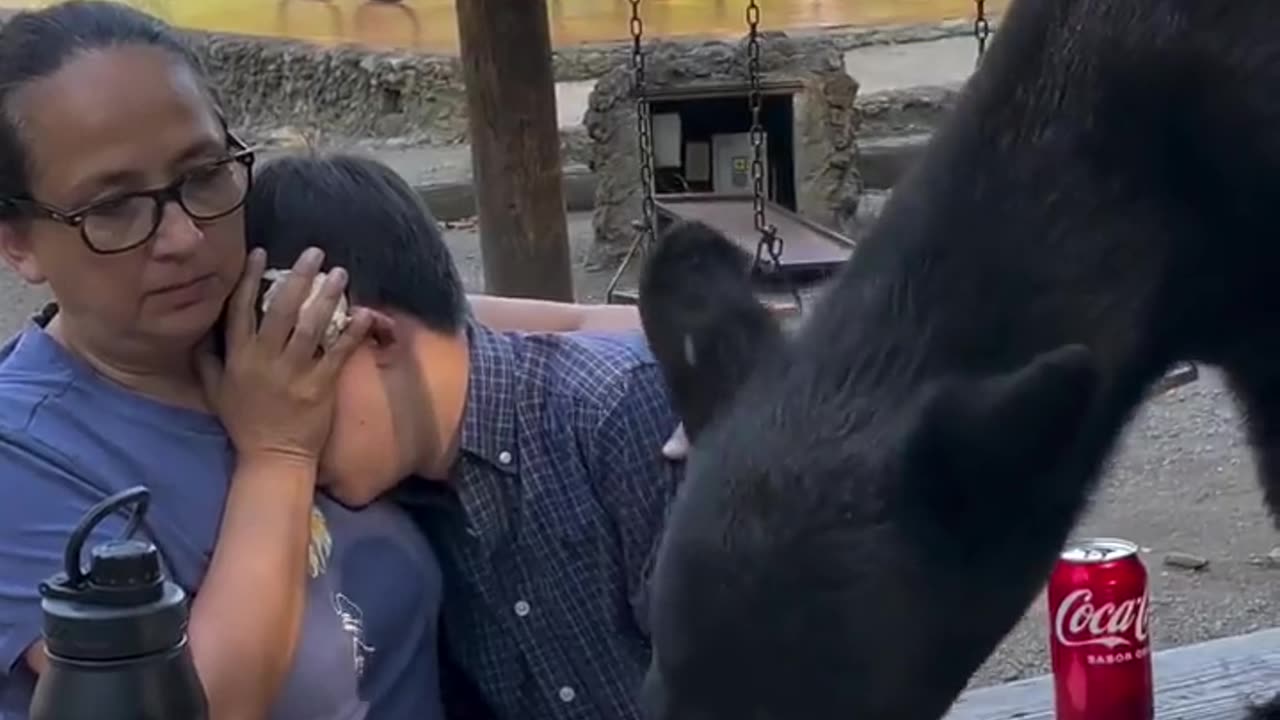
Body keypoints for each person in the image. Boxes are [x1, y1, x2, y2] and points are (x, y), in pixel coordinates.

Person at [0, 2, 670, 718]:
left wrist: (739, 350)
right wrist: (279, 456)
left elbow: (463, 325)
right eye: (114, 207)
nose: (186, 237)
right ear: (18, 243)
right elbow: (199, 706)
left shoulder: (268, 316)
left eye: (203, 174)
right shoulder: (26, 455)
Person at [245, 152, 684, 720]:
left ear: (372, 337)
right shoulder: (407, 493)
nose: (282, 423)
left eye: (290, 383)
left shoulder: (619, 418)